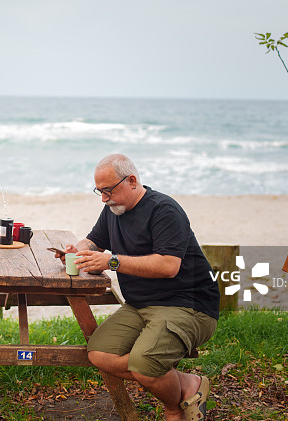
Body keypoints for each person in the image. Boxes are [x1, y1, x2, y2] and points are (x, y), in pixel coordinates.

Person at [57, 153, 219, 421]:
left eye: (108, 190)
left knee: (145, 366)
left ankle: (172, 409)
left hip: (188, 305)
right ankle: (187, 383)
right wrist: (79, 250)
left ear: (131, 180)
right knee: (99, 354)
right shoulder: (113, 209)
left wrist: (112, 261)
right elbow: (94, 240)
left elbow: (168, 266)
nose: (103, 198)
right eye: (99, 191)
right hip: (140, 305)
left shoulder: (164, 210)